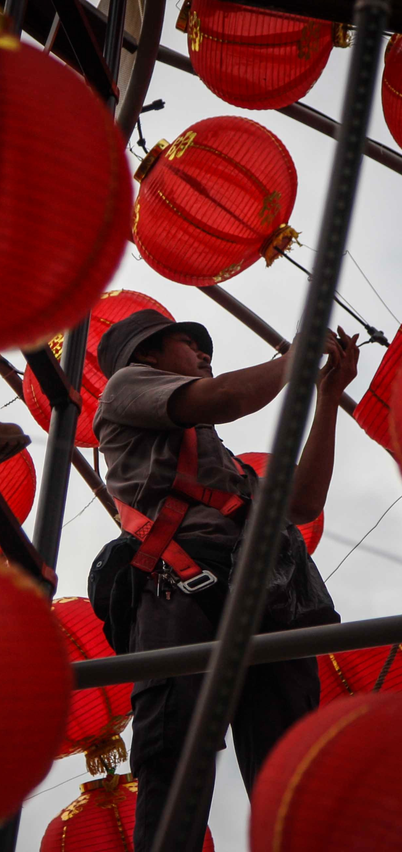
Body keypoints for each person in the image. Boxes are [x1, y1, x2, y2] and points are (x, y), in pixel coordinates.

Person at [91, 309, 359, 852]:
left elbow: (303, 503)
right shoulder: (125, 389)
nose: (204, 356)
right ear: (147, 356)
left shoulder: (227, 467)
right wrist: (296, 357)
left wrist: (327, 396)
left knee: (289, 763)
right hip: (178, 582)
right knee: (176, 750)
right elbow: (228, 398)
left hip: (257, 590)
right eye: (189, 345)